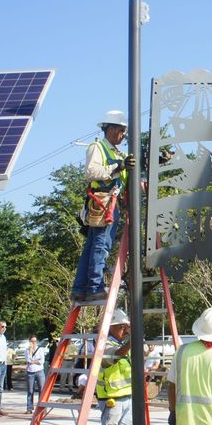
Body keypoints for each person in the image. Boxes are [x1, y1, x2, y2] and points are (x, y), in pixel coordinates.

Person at [70, 110, 135, 303]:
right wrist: (118, 167)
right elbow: (91, 172)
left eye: (124, 131)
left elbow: (128, 172)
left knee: (92, 246)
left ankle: (80, 288)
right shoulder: (97, 147)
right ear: (110, 128)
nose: (122, 135)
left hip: (111, 203)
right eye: (121, 130)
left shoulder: (118, 153)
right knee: (100, 245)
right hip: (102, 202)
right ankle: (95, 287)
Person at [95, 309, 135, 425]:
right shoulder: (105, 344)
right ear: (111, 327)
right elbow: (113, 357)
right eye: (121, 327)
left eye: (126, 327)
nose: (124, 330)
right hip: (110, 397)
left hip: (126, 395)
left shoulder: (124, 344)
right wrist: (131, 340)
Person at [25, 335, 47, 413]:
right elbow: (28, 360)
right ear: (29, 341)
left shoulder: (40, 349)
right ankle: (29, 408)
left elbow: (42, 361)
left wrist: (33, 362)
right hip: (30, 372)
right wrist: (31, 351)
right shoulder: (27, 350)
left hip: (39, 371)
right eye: (32, 341)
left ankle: (42, 408)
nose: (33, 343)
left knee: (42, 389)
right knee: (30, 390)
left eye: (35, 341)